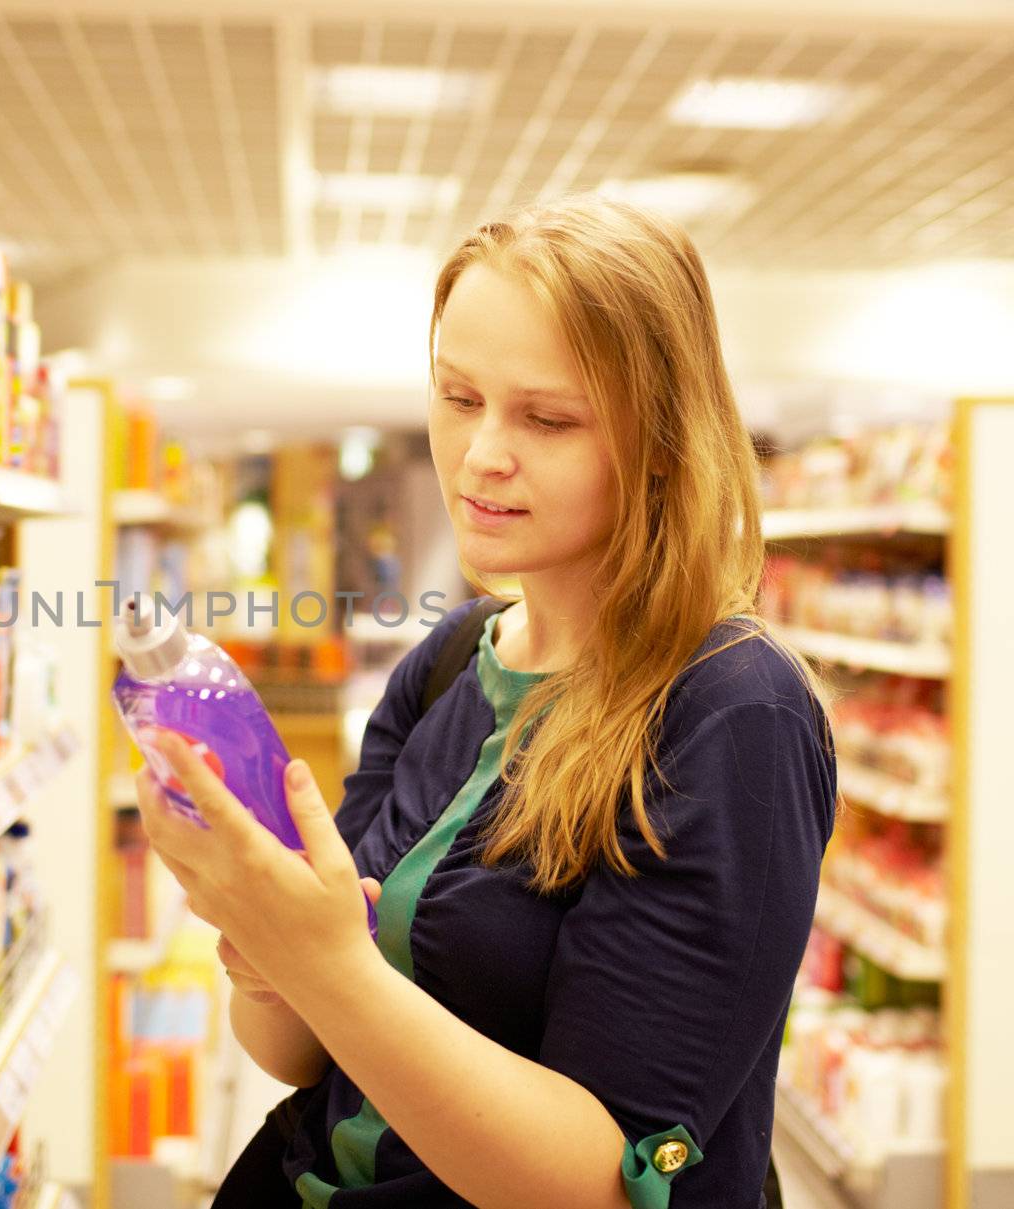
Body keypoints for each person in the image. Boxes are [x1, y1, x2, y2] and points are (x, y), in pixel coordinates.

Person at [135, 193, 836, 1208]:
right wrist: (266, 947)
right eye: (459, 398)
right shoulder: (451, 659)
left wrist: (328, 962)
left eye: (546, 418)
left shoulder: (730, 713)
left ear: (661, 441)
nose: (480, 455)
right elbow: (296, 1055)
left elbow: (605, 1183)